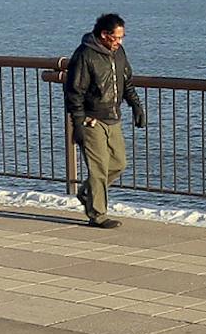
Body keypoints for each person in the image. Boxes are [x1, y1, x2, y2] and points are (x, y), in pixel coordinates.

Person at [62, 12, 145, 228]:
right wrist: (77, 123)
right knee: (98, 168)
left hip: (113, 117)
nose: (119, 42)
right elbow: (74, 93)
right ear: (104, 35)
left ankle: (88, 192)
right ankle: (97, 214)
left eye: (122, 37)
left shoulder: (119, 53)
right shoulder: (84, 55)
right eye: (116, 38)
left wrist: (136, 105)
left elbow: (126, 82)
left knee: (118, 163)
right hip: (91, 120)